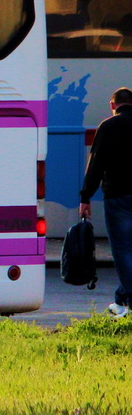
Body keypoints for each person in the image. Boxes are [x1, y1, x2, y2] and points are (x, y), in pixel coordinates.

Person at [80, 86, 132, 318]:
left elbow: (96, 164)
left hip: (118, 197)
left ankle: (128, 298)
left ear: (112, 106)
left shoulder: (109, 126)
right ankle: (122, 298)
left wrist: (85, 196)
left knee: (122, 250)